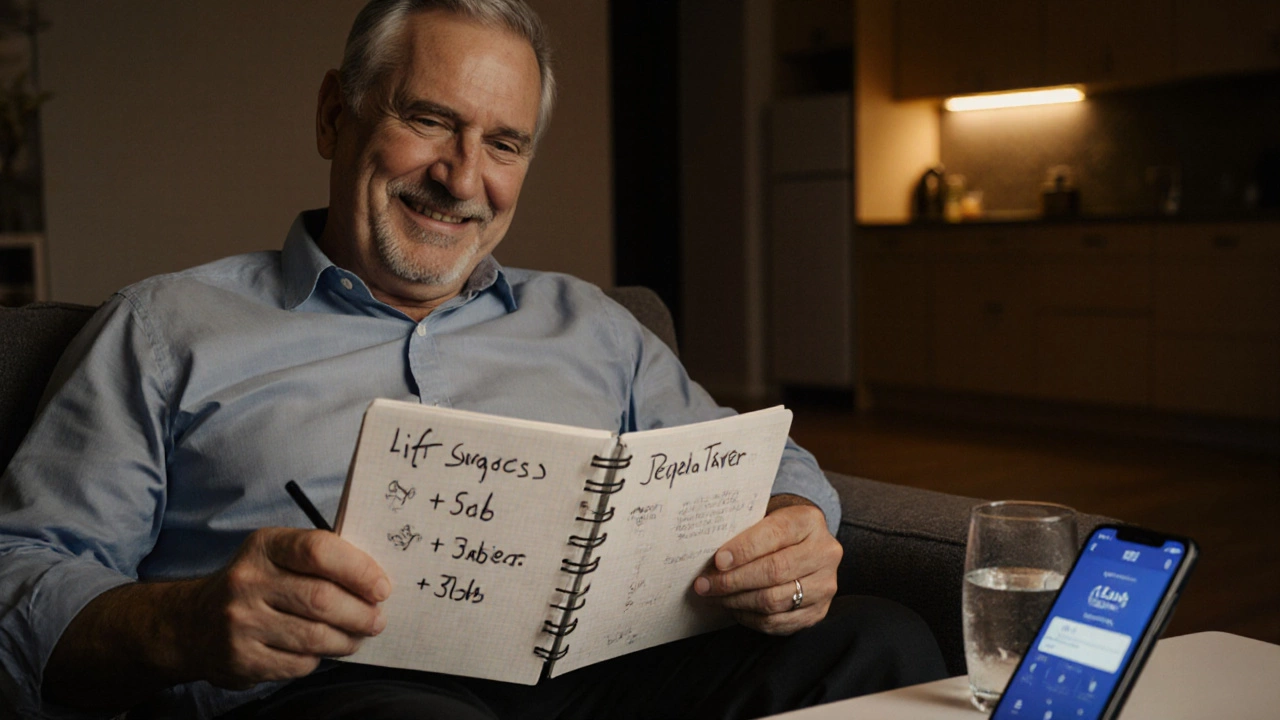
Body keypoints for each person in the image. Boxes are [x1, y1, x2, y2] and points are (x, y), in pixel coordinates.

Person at [0, 1, 946, 718]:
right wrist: (188, 622)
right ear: (333, 115)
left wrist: (789, 523)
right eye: (427, 120)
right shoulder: (164, 328)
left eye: (504, 143)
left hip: (604, 682)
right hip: (331, 696)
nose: (463, 178)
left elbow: (755, 458)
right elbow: (23, 572)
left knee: (879, 642)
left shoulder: (592, 323)